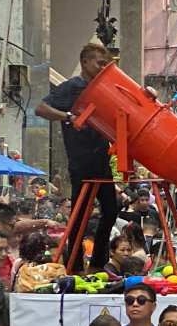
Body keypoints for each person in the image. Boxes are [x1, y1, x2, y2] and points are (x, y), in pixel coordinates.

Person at [35, 42, 118, 269]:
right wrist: (68, 116)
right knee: (80, 214)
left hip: (101, 159)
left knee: (111, 209)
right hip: (81, 161)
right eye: (99, 63)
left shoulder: (106, 87)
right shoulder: (72, 87)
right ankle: (75, 263)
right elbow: (41, 108)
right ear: (84, 62)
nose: (102, 68)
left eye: (105, 64)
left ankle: (99, 260)